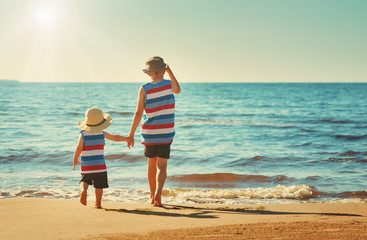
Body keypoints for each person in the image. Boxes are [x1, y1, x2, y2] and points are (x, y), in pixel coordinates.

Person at [128, 56, 181, 207]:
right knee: (162, 166)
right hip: (166, 132)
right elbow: (178, 89)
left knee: (151, 164)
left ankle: (152, 196)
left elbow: (138, 113)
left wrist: (131, 134)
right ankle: (158, 194)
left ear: (148, 73)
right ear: (163, 70)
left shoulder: (144, 88)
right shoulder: (169, 85)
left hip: (149, 133)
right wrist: (169, 70)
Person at [73, 107, 129, 209]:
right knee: (99, 186)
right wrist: (126, 138)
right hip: (100, 167)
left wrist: (75, 159)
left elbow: (79, 147)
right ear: (101, 123)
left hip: (87, 167)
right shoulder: (102, 133)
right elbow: (115, 137)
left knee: (84, 181)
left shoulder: (83, 134)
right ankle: (98, 204)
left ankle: (83, 191)